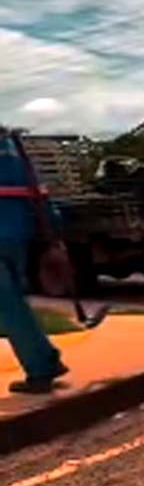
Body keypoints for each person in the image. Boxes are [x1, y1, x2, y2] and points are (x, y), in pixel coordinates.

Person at [0, 128, 68, 393]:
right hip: (17, 238)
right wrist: (54, 235)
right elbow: (41, 196)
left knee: (10, 308)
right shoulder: (14, 150)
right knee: (14, 303)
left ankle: (41, 367)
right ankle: (45, 360)